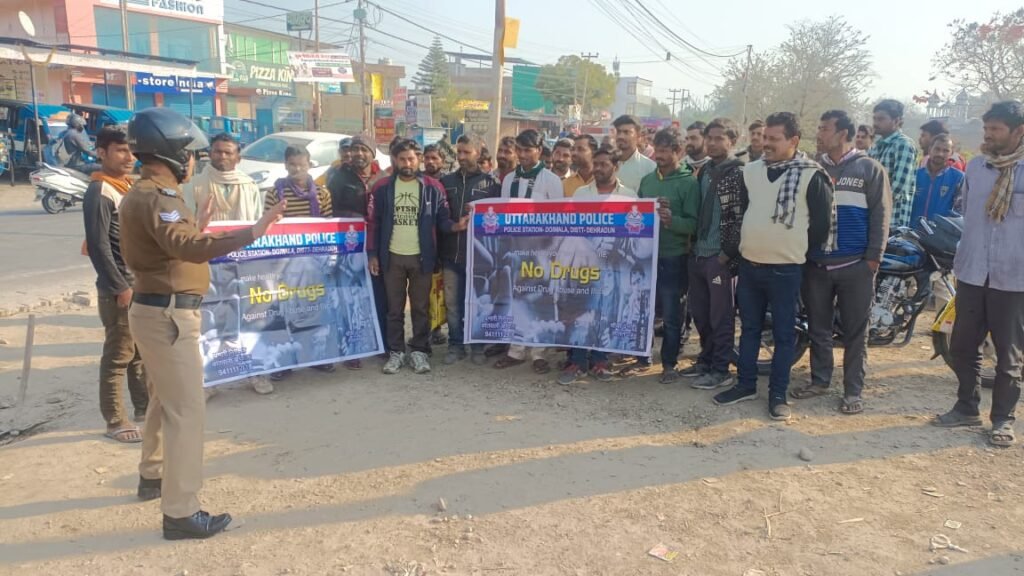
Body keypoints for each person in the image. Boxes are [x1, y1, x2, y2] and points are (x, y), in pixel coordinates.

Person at [119, 107, 286, 539]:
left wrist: (200, 224)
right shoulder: (160, 196)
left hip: (155, 311)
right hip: (169, 316)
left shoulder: (147, 193)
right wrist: (254, 230)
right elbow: (186, 247)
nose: (193, 160)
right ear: (172, 152)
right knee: (186, 411)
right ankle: (181, 512)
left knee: (163, 400)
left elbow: (169, 244)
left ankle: (153, 475)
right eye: (190, 152)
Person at [714, 112, 834, 421]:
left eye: (774, 139)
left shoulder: (811, 175)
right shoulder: (751, 171)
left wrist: (790, 247)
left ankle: (777, 394)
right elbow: (745, 211)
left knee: (783, 335)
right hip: (750, 266)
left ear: (794, 140)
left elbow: (820, 228)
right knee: (749, 330)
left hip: (786, 270)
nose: (766, 144)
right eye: (765, 137)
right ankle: (745, 385)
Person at [933, 100, 1024, 447]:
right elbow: (968, 216)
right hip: (972, 273)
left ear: (1019, 132)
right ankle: (966, 407)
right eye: (986, 129)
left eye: (996, 130)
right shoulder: (976, 167)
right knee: (962, 345)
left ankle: (1002, 420)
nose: (988, 135)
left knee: (1008, 355)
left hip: (1013, 278)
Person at [789, 110, 891, 415]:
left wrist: (872, 260)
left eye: (824, 129)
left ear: (843, 134)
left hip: (855, 266)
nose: (819, 134)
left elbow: (881, 216)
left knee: (856, 333)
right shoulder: (812, 168)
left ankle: (852, 391)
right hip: (816, 265)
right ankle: (819, 380)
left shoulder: (869, 169)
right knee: (818, 328)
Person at [368, 139, 468, 375]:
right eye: (402, 159)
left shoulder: (433, 187)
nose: (407, 164)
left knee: (421, 308)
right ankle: (396, 352)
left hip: (422, 258)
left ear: (419, 159)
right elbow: (374, 223)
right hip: (392, 257)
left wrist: (456, 226)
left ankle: (419, 351)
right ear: (394, 160)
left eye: (411, 159)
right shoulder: (382, 187)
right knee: (394, 309)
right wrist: (373, 254)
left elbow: (442, 220)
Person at [82, 126, 148, 443]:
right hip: (119, 287)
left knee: (139, 353)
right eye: (121, 150)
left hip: (136, 284)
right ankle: (115, 421)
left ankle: (144, 409)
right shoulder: (100, 191)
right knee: (118, 356)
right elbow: (99, 246)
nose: (129, 157)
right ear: (101, 152)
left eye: (131, 150)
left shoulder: (124, 186)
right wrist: (120, 286)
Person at [625, 127, 700, 383]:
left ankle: (669, 363)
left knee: (671, 313)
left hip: (674, 257)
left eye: (666, 151)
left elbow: (694, 224)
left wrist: (671, 220)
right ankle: (642, 356)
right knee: (642, 309)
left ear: (678, 151)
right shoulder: (648, 181)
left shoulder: (689, 184)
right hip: (645, 256)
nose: (659, 155)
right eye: (657, 150)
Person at [263, 146, 337, 383]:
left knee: (313, 310)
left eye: (301, 164)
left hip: (313, 264)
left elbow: (327, 227)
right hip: (285, 264)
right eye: (292, 164)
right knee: (285, 311)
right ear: (285, 165)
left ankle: (317, 357)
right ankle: (285, 361)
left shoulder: (322, 193)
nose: (297, 169)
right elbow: (268, 226)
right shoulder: (275, 193)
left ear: (309, 165)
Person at [495, 129, 564, 373]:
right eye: (519, 150)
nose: (522, 155)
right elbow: (504, 213)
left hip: (542, 251)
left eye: (527, 150)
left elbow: (558, 219)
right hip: (516, 250)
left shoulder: (551, 180)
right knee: (516, 298)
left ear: (539, 151)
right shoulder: (509, 179)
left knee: (541, 300)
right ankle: (515, 350)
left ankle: (538, 353)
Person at [684, 118, 745, 391]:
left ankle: (721, 369)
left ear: (732, 141)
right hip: (699, 253)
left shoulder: (739, 173)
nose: (712, 143)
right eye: (709, 138)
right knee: (700, 313)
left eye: (719, 138)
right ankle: (705, 360)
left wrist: (725, 254)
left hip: (720, 258)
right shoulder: (705, 171)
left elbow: (741, 217)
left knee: (721, 317)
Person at [439, 135, 501, 365]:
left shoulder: (491, 185)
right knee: (453, 304)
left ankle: (477, 346)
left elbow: (498, 222)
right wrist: (453, 226)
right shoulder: (446, 182)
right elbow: (439, 217)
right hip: (451, 255)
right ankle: (455, 345)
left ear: (478, 153)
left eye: (467, 152)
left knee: (478, 303)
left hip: (479, 258)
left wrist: (481, 216)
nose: (462, 157)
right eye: (459, 152)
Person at [326, 135, 385, 368]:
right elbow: (330, 211)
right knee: (350, 297)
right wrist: (354, 219)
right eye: (355, 149)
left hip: (377, 245)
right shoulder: (339, 176)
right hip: (348, 246)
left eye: (364, 149)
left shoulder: (384, 177)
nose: (359, 153)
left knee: (379, 295)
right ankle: (351, 348)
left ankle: (382, 343)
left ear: (373, 153)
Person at [186, 133, 263, 222]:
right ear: (210, 155)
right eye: (218, 152)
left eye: (228, 153)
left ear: (238, 158)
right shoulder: (195, 184)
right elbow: (187, 221)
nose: (223, 156)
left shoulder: (249, 185)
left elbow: (257, 221)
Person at [869, 99, 918, 228]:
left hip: (893, 220)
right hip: (872, 217)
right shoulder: (875, 147)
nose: (875, 123)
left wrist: (873, 205)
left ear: (896, 121)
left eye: (881, 119)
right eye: (874, 119)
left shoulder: (903, 145)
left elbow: (897, 188)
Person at [912, 134, 965, 223]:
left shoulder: (959, 178)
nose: (940, 154)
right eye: (937, 149)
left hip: (940, 231)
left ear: (951, 154)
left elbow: (960, 212)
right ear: (930, 150)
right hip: (913, 229)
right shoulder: (915, 175)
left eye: (945, 151)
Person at [613, 115, 657, 191]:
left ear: (638, 136)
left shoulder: (650, 168)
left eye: (626, 132)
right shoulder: (605, 165)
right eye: (618, 132)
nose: (621, 136)